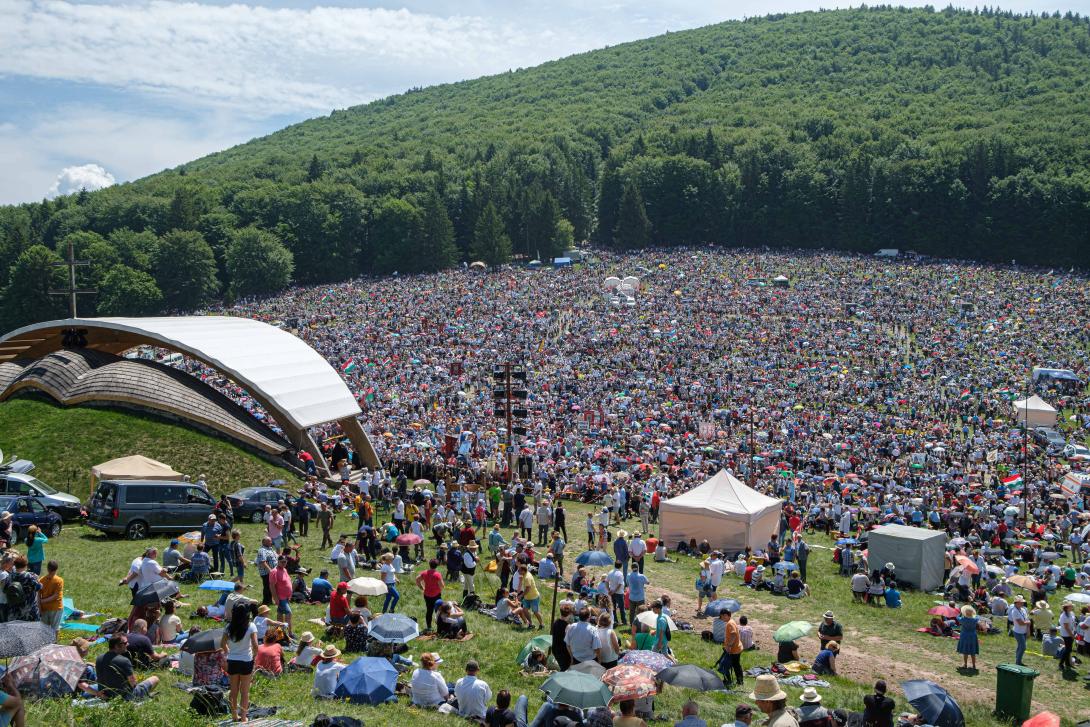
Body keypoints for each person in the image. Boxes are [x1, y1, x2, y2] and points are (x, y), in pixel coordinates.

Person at [221, 602, 259, 721]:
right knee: (245, 692)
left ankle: (234, 716)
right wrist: (253, 656)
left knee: (233, 691)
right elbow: (255, 646)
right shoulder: (251, 626)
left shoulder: (228, 627)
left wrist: (229, 652)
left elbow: (222, 644)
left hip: (232, 660)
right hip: (246, 661)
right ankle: (243, 717)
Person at [93, 633, 160, 701]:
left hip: (105, 696)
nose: (128, 644)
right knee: (155, 678)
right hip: (124, 697)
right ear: (116, 646)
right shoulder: (124, 661)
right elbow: (133, 684)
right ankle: (143, 696)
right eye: (125, 643)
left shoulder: (99, 658)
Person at [416, 558, 445, 632]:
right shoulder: (437, 574)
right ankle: (440, 627)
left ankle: (429, 627)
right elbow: (442, 585)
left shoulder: (424, 572)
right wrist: (439, 589)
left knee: (429, 610)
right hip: (436, 595)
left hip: (427, 595)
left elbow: (417, 579)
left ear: (429, 565)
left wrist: (421, 587)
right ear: (437, 565)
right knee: (438, 611)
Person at [269, 555, 294, 638]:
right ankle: (290, 633)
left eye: (285, 562)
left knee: (280, 615)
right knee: (289, 613)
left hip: (286, 597)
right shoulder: (274, 571)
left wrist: (289, 595)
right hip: (281, 597)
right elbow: (272, 586)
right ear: (278, 562)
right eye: (282, 562)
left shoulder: (285, 570)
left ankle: (279, 633)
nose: (284, 563)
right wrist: (275, 598)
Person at [717, 610, 744, 687]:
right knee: (736, 665)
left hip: (734, 650)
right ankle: (739, 681)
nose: (721, 619)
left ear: (726, 615)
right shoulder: (732, 621)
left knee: (726, 665)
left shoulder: (730, 623)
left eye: (721, 617)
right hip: (736, 648)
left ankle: (730, 681)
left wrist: (729, 645)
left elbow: (733, 634)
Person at [37, 560, 63, 633]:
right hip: (56, 607)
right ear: (57, 569)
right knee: (55, 628)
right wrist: (42, 601)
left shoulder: (41, 580)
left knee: (44, 629)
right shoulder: (59, 580)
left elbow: (38, 596)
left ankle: (46, 643)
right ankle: (55, 643)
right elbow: (56, 596)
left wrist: (40, 607)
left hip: (44, 608)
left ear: (47, 569)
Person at [1008, 594, 1030, 665]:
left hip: (1023, 631)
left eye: (1022, 602)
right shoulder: (1014, 611)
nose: (1023, 603)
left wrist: (1028, 629)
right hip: (1018, 632)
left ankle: (1017, 660)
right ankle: (1018, 662)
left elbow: (1026, 620)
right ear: (1016, 603)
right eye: (1021, 602)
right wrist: (1028, 622)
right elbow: (1021, 623)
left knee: (1020, 646)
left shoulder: (1023, 609)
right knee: (1023, 647)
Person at [956, 605, 979, 670]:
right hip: (973, 636)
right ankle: (974, 665)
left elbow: (957, 617)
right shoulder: (975, 619)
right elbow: (977, 616)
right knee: (973, 651)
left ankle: (965, 664)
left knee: (965, 651)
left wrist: (960, 613)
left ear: (965, 613)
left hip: (964, 635)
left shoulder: (963, 619)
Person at [1058, 601, 1078, 672]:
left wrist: (1075, 630)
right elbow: (1066, 627)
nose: (1072, 607)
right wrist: (1072, 635)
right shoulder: (1064, 616)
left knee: (1068, 649)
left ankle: (1067, 663)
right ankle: (1060, 664)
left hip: (1071, 633)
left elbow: (1073, 622)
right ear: (1067, 607)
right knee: (1068, 649)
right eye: (1070, 606)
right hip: (1066, 634)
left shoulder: (1071, 613)